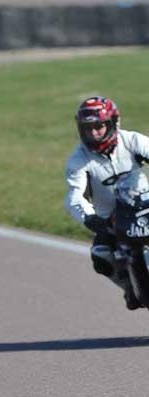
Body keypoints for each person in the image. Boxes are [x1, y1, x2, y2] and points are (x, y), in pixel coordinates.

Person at [65, 96, 149, 309]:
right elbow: (75, 196)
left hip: (145, 206)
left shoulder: (132, 141)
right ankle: (129, 287)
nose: (93, 133)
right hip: (110, 220)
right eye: (87, 128)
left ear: (113, 123)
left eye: (99, 126)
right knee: (101, 256)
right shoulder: (78, 159)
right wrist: (90, 218)